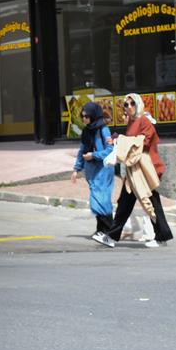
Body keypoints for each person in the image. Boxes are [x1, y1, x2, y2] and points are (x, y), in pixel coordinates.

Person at [99, 93, 173, 248]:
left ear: (138, 104)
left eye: (132, 103)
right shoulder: (133, 122)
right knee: (124, 204)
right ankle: (111, 237)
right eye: (126, 104)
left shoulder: (143, 120)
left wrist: (120, 140)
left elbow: (144, 142)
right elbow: (132, 144)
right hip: (134, 170)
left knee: (151, 202)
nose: (129, 107)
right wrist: (118, 141)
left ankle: (161, 236)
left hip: (146, 170)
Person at [69, 100, 114, 243]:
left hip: (103, 171)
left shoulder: (103, 130)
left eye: (86, 116)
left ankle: (109, 230)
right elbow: (82, 150)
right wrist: (76, 169)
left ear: (94, 116)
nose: (84, 119)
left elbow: (109, 150)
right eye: (83, 116)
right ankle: (101, 230)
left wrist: (93, 155)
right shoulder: (86, 131)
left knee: (102, 200)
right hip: (92, 172)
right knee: (97, 199)